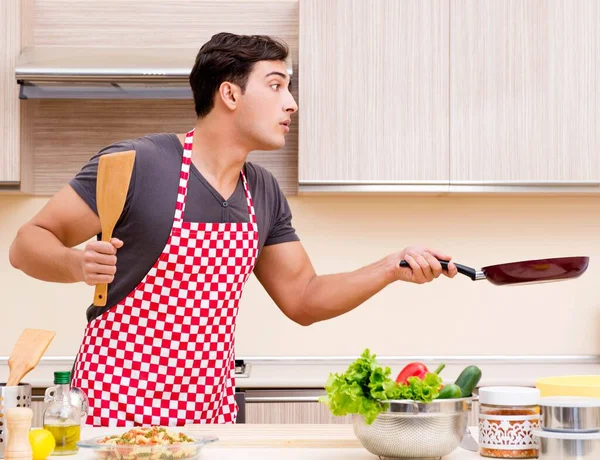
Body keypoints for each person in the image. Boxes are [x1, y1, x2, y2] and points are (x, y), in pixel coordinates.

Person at [9, 32, 458, 427]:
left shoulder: (261, 190)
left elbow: (303, 298)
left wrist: (388, 267)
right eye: (276, 85)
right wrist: (74, 262)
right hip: (114, 412)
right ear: (229, 94)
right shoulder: (136, 164)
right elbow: (27, 242)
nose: (291, 103)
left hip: (210, 417)